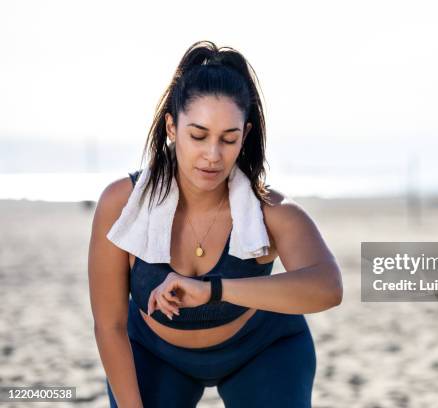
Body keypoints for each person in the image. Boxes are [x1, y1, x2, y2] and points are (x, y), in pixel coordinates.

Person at [88, 40, 343, 408]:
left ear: (245, 136)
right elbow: (109, 325)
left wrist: (214, 290)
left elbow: (328, 287)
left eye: (229, 139)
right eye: (198, 135)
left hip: (263, 351)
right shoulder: (121, 204)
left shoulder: (271, 211)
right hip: (155, 354)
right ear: (172, 127)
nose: (212, 155)